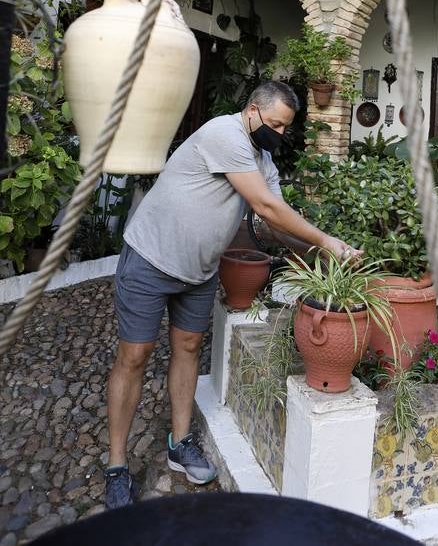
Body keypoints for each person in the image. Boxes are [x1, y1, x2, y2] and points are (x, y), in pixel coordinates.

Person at [104, 80, 358, 509]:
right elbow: (265, 207)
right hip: (150, 258)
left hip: (199, 272)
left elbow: (275, 224)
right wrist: (329, 240)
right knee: (134, 356)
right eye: (274, 124)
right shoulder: (224, 133)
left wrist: (321, 254)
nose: (277, 134)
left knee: (187, 347)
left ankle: (180, 443)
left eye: (284, 128)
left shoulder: (261, 157)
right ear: (253, 111)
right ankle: (116, 466)